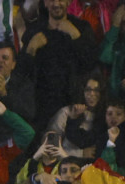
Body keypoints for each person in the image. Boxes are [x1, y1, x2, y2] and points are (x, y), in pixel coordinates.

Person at [21, 0, 96, 130]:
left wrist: (75, 35)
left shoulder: (81, 27)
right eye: (51, 0)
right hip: (41, 105)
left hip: (73, 102)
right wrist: (31, 49)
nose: (56, 4)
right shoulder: (34, 31)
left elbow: (90, 64)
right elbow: (22, 72)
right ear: (45, 3)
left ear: (68, 2)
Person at [46, 74, 105, 159]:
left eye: (96, 90)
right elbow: (50, 147)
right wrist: (80, 154)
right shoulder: (66, 112)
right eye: (88, 90)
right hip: (63, 166)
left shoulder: (104, 117)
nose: (92, 94)